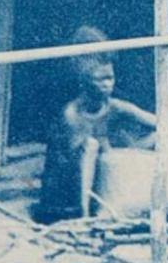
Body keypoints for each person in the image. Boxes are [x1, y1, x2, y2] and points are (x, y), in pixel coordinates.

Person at [33, 27, 157, 223]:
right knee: (91, 147)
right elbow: (77, 165)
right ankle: (83, 217)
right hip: (67, 193)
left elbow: (159, 122)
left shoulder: (116, 106)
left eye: (110, 78)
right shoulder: (71, 115)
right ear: (84, 81)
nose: (108, 84)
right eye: (100, 79)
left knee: (163, 134)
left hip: (100, 178)